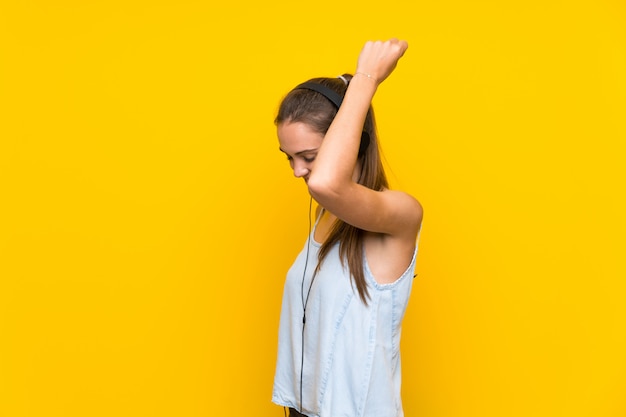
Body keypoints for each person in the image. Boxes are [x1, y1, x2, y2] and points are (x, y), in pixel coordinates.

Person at [272, 39, 423, 417]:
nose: (298, 172)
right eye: (289, 158)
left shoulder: (401, 215)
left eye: (309, 157)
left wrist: (366, 78)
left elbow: (326, 183)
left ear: (356, 144)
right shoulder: (326, 219)